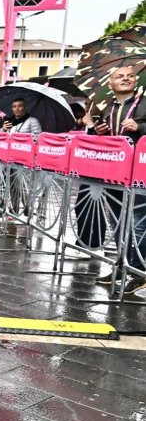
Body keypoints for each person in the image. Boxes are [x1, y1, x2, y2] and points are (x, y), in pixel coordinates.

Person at [87, 66, 146, 294]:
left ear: (135, 82)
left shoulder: (143, 103)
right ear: (110, 84)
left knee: (138, 222)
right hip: (115, 172)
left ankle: (139, 271)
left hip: (140, 172)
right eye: (120, 76)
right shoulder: (109, 108)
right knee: (117, 222)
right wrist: (99, 131)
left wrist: (140, 127)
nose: (126, 79)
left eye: (130, 76)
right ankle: (122, 266)